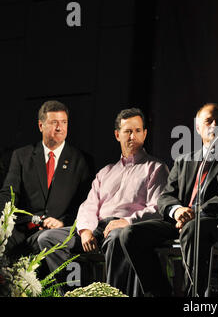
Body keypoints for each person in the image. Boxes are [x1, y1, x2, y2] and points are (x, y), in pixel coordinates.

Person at [37, 108, 169, 295]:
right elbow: (89, 205)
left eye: (138, 131)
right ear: (117, 135)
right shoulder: (106, 171)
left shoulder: (155, 168)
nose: (133, 136)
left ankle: (114, 294)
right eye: (128, 131)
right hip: (98, 228)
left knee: (117, 237)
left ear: (145, 134)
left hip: (126, 229)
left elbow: (157, 207)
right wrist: (85, 231)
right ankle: (77, 294)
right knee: (48, 238)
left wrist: (127, 221)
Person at [119, 103, 218, 297]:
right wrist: (177, 211)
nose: (214, 125)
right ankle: (160, 293)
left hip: (211, 222)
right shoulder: (183, 161)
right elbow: (166, 196)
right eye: (209, 120)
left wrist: (195, 212)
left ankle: (190, 296)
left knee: (193, 228)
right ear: (197, 127)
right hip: (179, 220)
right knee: (129, 234)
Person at [0, 100, 91, 263]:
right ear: (41, 126)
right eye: (54, 122)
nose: (60, 128)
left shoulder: (81, 160)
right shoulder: (22, 156)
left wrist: (63, 222)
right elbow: (8, 195)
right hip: (23, 229)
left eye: (64, 122)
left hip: (59, 230)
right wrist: (21, 221)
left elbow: (86, 203)